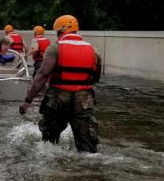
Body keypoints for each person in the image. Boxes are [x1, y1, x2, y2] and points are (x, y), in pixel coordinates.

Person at [19, 15, 102, 153]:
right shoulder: (93, 50)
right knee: (87, 145)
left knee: (49, 142)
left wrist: (28, 101)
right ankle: (87, 171)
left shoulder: (55, 48)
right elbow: (96, 77)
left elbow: (42, 76)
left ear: (60, 31)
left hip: (59, 97)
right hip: (84, 99)